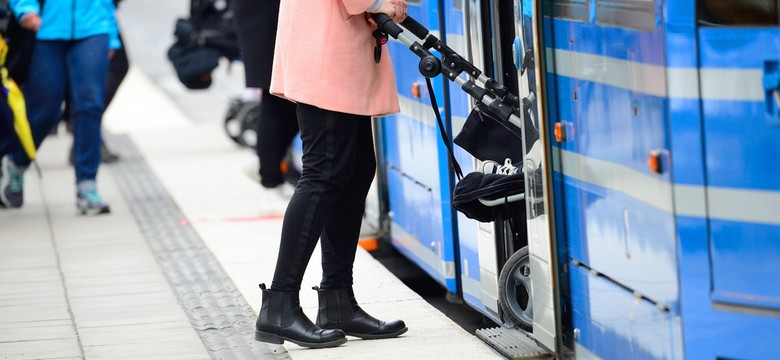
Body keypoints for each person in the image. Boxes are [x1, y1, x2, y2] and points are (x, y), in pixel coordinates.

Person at [253, 0, 409, 349]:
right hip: (327, 52)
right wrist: (383, 4)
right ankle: (279, 304)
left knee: (353, 172)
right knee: (324, 174)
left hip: (340, 47)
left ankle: (338, 299)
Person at [0, 0, 119, 215]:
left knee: (90, 104)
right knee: (45, 110)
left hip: (93, 28)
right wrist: (25, 8)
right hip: (45, 29)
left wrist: (111, 31)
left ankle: (87, 186)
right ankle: (17, 164)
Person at [230, 0, 299, 192]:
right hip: (267, 16)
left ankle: (269, 171)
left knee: (282, 100)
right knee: (277, 100)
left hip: (265, 14)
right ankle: (269, 176)